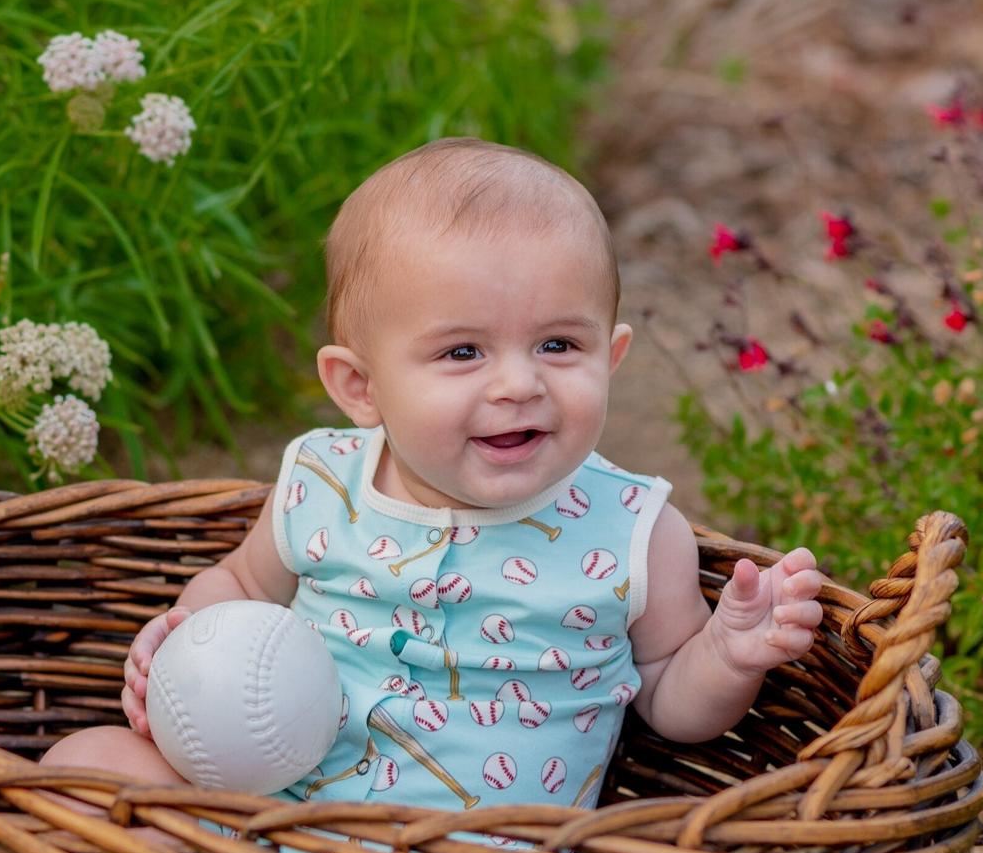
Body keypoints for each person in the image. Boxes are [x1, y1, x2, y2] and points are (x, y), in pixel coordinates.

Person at [41, 137, 823, 815]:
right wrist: (178, 645)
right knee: (88, 765)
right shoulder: (322, 482)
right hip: (266, 827)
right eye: (462, 353)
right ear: (361, 388)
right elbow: (241, 586)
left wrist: (727, 654)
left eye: (558, 345)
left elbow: (667, 700)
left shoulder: (634, 531)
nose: (518, 383)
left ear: (611, 357)